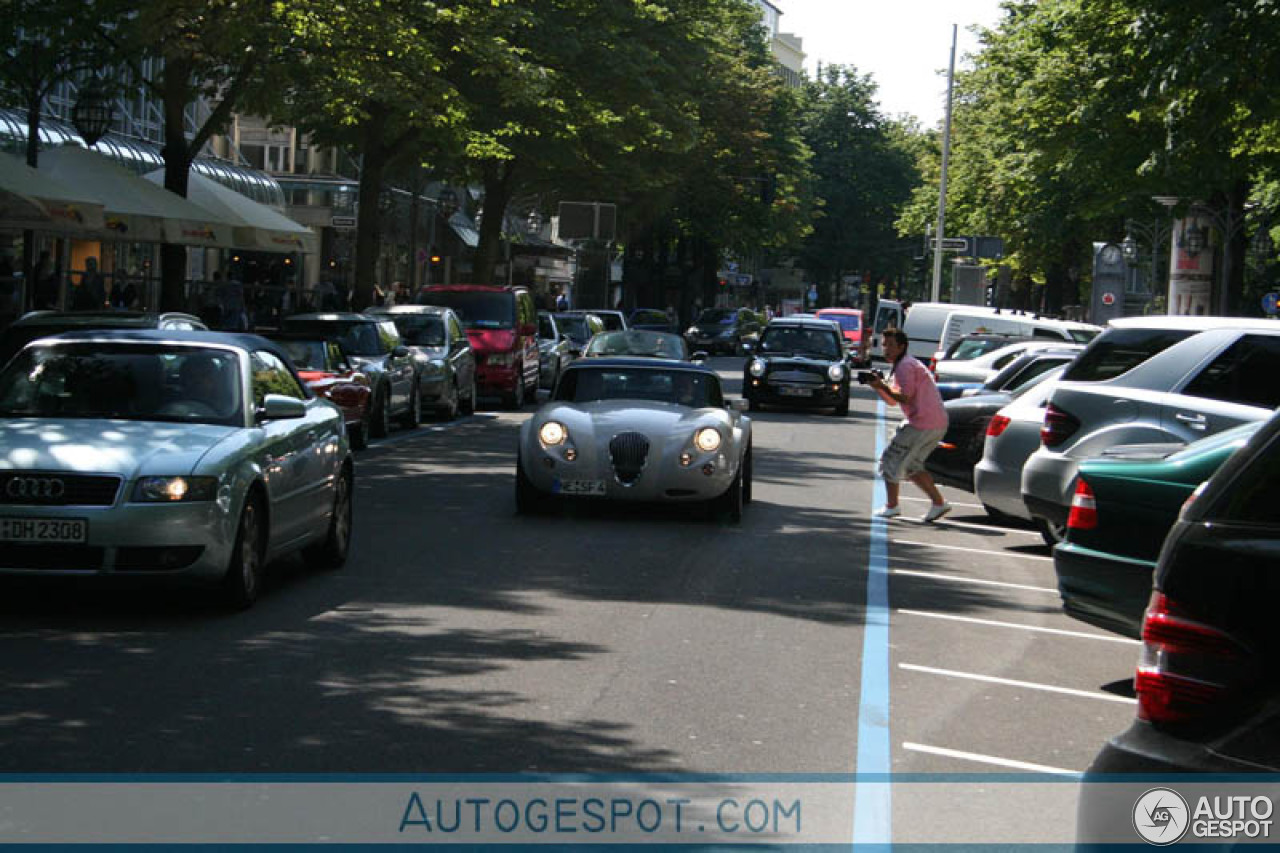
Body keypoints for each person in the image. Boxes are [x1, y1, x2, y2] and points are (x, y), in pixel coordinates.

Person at [865, 328, 951, 522]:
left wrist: (882, 386)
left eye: (891, 346)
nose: (886, 350)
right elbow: (893, 402)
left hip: (922, 423)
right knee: (913, 466)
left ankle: (892, 506)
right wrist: (878, 386)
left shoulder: (905, 366)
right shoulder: (904, 364)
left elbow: (905, 396)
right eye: (884, 345)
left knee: (890, 460)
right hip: (935, 423)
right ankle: (939, 503)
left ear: (902, 347)